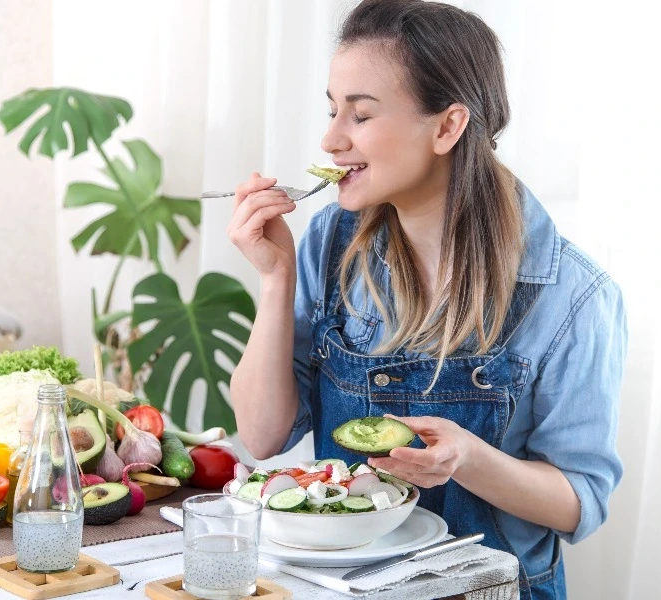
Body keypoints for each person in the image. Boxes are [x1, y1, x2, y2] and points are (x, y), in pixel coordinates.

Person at [227, 1, 626, 598]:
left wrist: (469, 458)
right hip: (343, 585)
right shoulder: (327, 245)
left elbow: (580, 503)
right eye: (332, 110)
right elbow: (262, 436)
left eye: (359, 115)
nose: (331, 139)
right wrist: (275, 279)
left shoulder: (570, 292)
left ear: (446, 126)